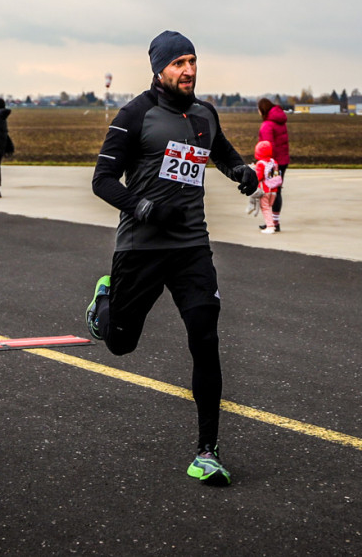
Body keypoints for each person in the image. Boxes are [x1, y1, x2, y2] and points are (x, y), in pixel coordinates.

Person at [85, 30, 258, 486]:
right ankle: (104, 303)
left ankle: (207, 451)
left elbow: (220, 152)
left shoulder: (204, 114)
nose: (189, 70)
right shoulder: (135, 114)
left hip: (190, 247)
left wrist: (240, 170)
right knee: (121, 342)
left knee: (206, 338)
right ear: (159, 68)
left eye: (193, 60)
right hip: (140, 247)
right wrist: (143, 208)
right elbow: (102, 180)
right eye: (179, 62)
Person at [257, 97, 289, 231]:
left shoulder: (267, 125)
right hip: (282, 161)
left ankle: (271, 222)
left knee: (268, 190)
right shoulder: (280, 121)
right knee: (277, 189)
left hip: (271, 163)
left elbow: (267, 147)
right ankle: (275, 221)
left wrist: (266, 162)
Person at [254, 140, 281, 234]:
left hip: (265, 190)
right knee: (269, 207)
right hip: (274, 189)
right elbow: (276, 174)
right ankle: (272, 223)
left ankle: (270, 226)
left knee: (265, 208)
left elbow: (259, 177)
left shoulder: (260, 164)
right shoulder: (274, 162)